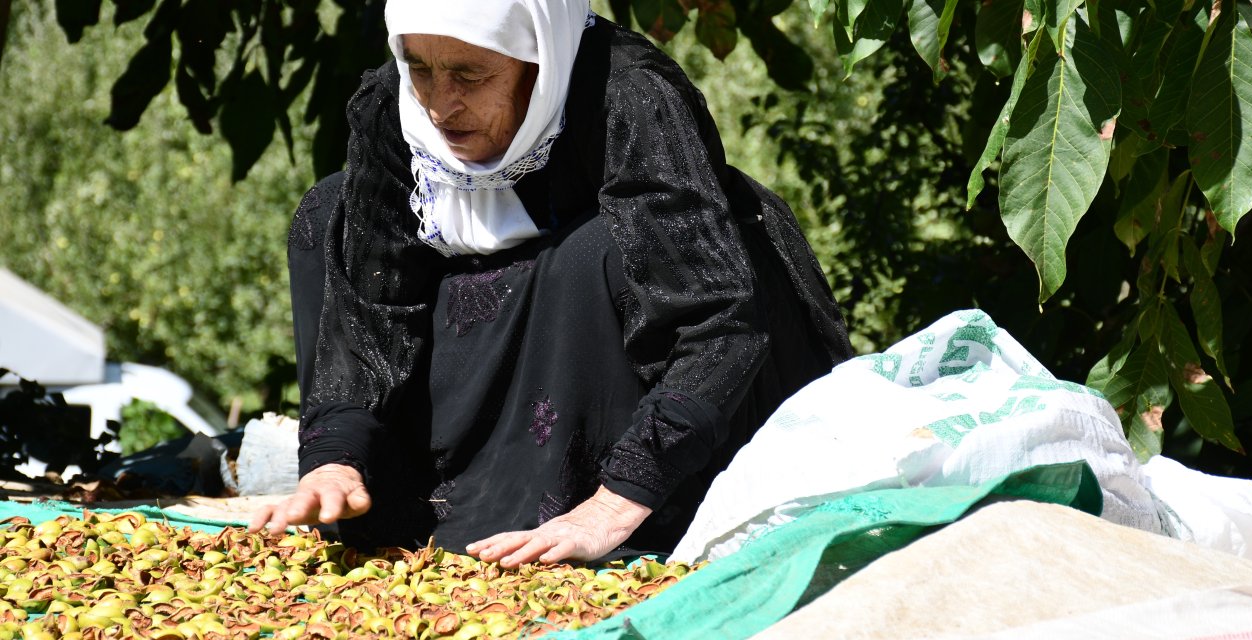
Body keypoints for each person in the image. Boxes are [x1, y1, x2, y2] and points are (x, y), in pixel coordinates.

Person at [250, 0, 853, 567]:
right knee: (329, 212)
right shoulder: (392, 106)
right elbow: (373, 303)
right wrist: (336, 455)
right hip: (487, 338)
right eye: (420, 67)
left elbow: (719, 325)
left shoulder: (630, 98)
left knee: (598, 249)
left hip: (616, 366)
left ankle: (607, 507)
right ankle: (399, 502)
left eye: (469, 73)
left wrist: (615, 504)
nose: (440, 104)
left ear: (538, 57)